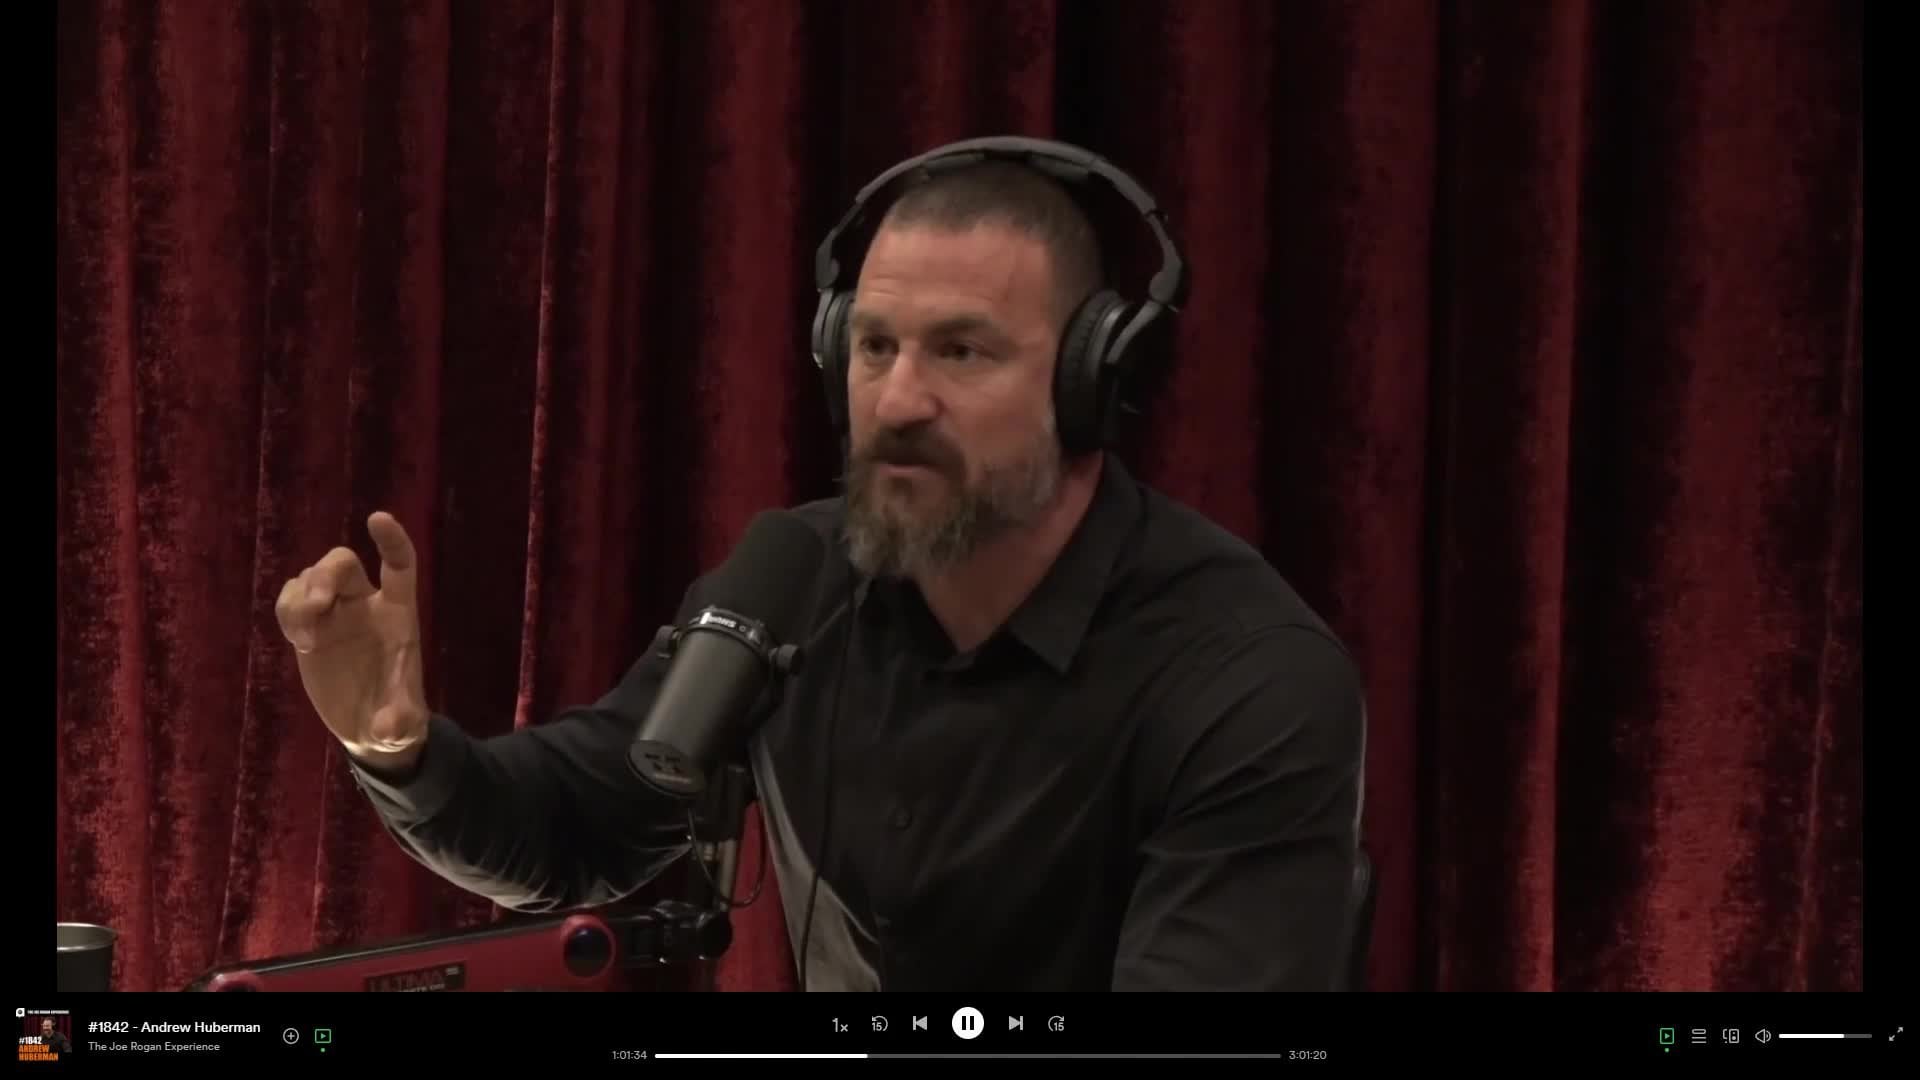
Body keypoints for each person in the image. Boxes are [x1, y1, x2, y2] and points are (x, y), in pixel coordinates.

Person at [274, 137, 1369, 992]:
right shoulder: (795, 582)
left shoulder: (1248, 677)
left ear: (1091, 384)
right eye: (875, 346)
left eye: (962, 351)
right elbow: (572, 832)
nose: (897, 401)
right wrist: (397, 747)